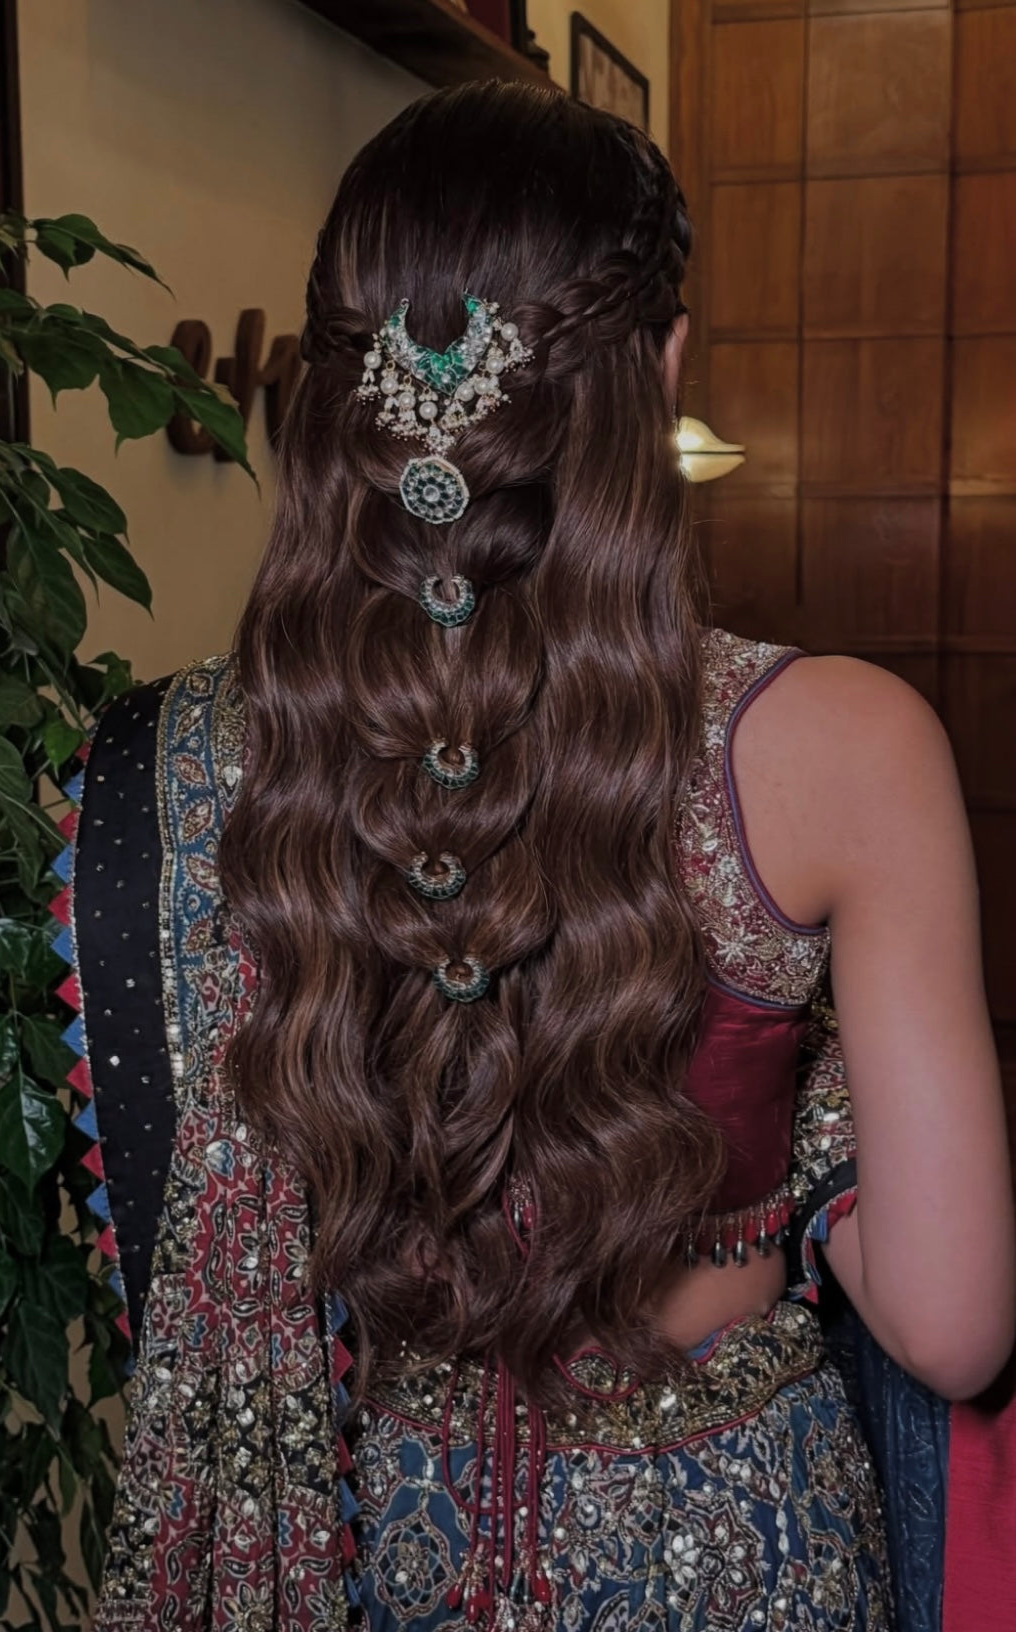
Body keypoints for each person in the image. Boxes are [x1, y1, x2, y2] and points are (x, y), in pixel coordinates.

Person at [65, 81, 1015, 1632]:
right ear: (662, 365)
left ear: (343, 390)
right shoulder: (843, 746)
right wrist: (817, 1103)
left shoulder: (218, 761)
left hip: (386, 1538)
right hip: (736, 1539)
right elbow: (952, 1326)